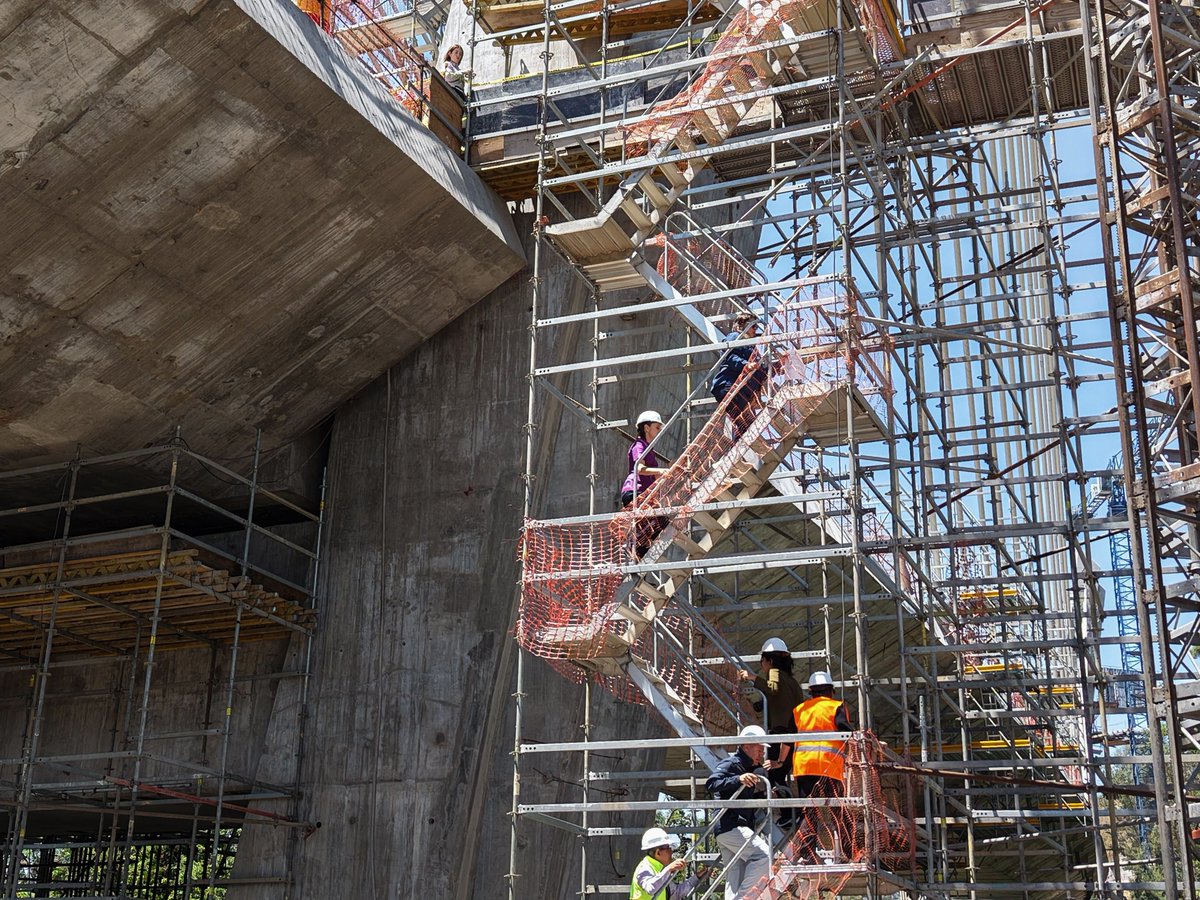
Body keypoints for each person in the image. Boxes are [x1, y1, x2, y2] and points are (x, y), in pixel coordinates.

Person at [791, 671, 853, 864]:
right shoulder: (836, 706)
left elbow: (788, 738)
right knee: (837, 811)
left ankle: (808, 853)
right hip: (829, 766)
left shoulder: (799, 709)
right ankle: (846, 852)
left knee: (809, 812)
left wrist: (778, 763)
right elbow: (845, 732)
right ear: (831, 691)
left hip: (804, 767)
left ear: (811, 692)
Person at [706, 725, 774, 899]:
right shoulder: (732, 764)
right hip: (732, 825)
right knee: (764, 857)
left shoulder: (748, 769)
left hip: (729, 829)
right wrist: (738, 779)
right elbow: (711, 784)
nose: (762, 754)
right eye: (759, 749)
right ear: (746, 747)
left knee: (734, 877)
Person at [737, 638, 802, 817]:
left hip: (780, 734)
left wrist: (751, 678)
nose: (762, 666)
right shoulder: (791, 681)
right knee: (777, 775)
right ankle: (789, 813)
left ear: (770, 660)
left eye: (762, 662)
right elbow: (778, 698)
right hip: (790, 735)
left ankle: (790, 814)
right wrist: (759, 705)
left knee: (773, 775)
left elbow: (772, 688)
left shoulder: (775, 672)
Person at [620, 410, 671, 557]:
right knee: (658, 522)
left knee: (660, 524)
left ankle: (638, 553)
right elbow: (640, 469)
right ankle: (631, 548)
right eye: (657, 427)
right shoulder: (639, 446)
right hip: (635, 491)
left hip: (644, 493)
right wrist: (662, 471)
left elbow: (653, 476)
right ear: (646, 428)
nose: (659, 430)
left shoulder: (649, 449)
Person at [709, 312, 767, 438]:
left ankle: (738, 447)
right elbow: (727, 354)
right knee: (745, 423)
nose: (755, 330)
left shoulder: (752, 349)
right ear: (743, 325)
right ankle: (738, 447)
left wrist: (779, 364)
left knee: (746, 425)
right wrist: (745, 364)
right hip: (729, 386)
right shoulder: (736, 337)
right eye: (753, 327)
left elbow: (761, 371)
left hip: (740, 390)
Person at [630, 827, 704, 899]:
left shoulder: (660, 869)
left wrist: (697, 877)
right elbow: (650, 888)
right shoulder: (645, 867)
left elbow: (676, 893)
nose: (671, 851)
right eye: (668, 848)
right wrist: (669, 869)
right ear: (658, 852)